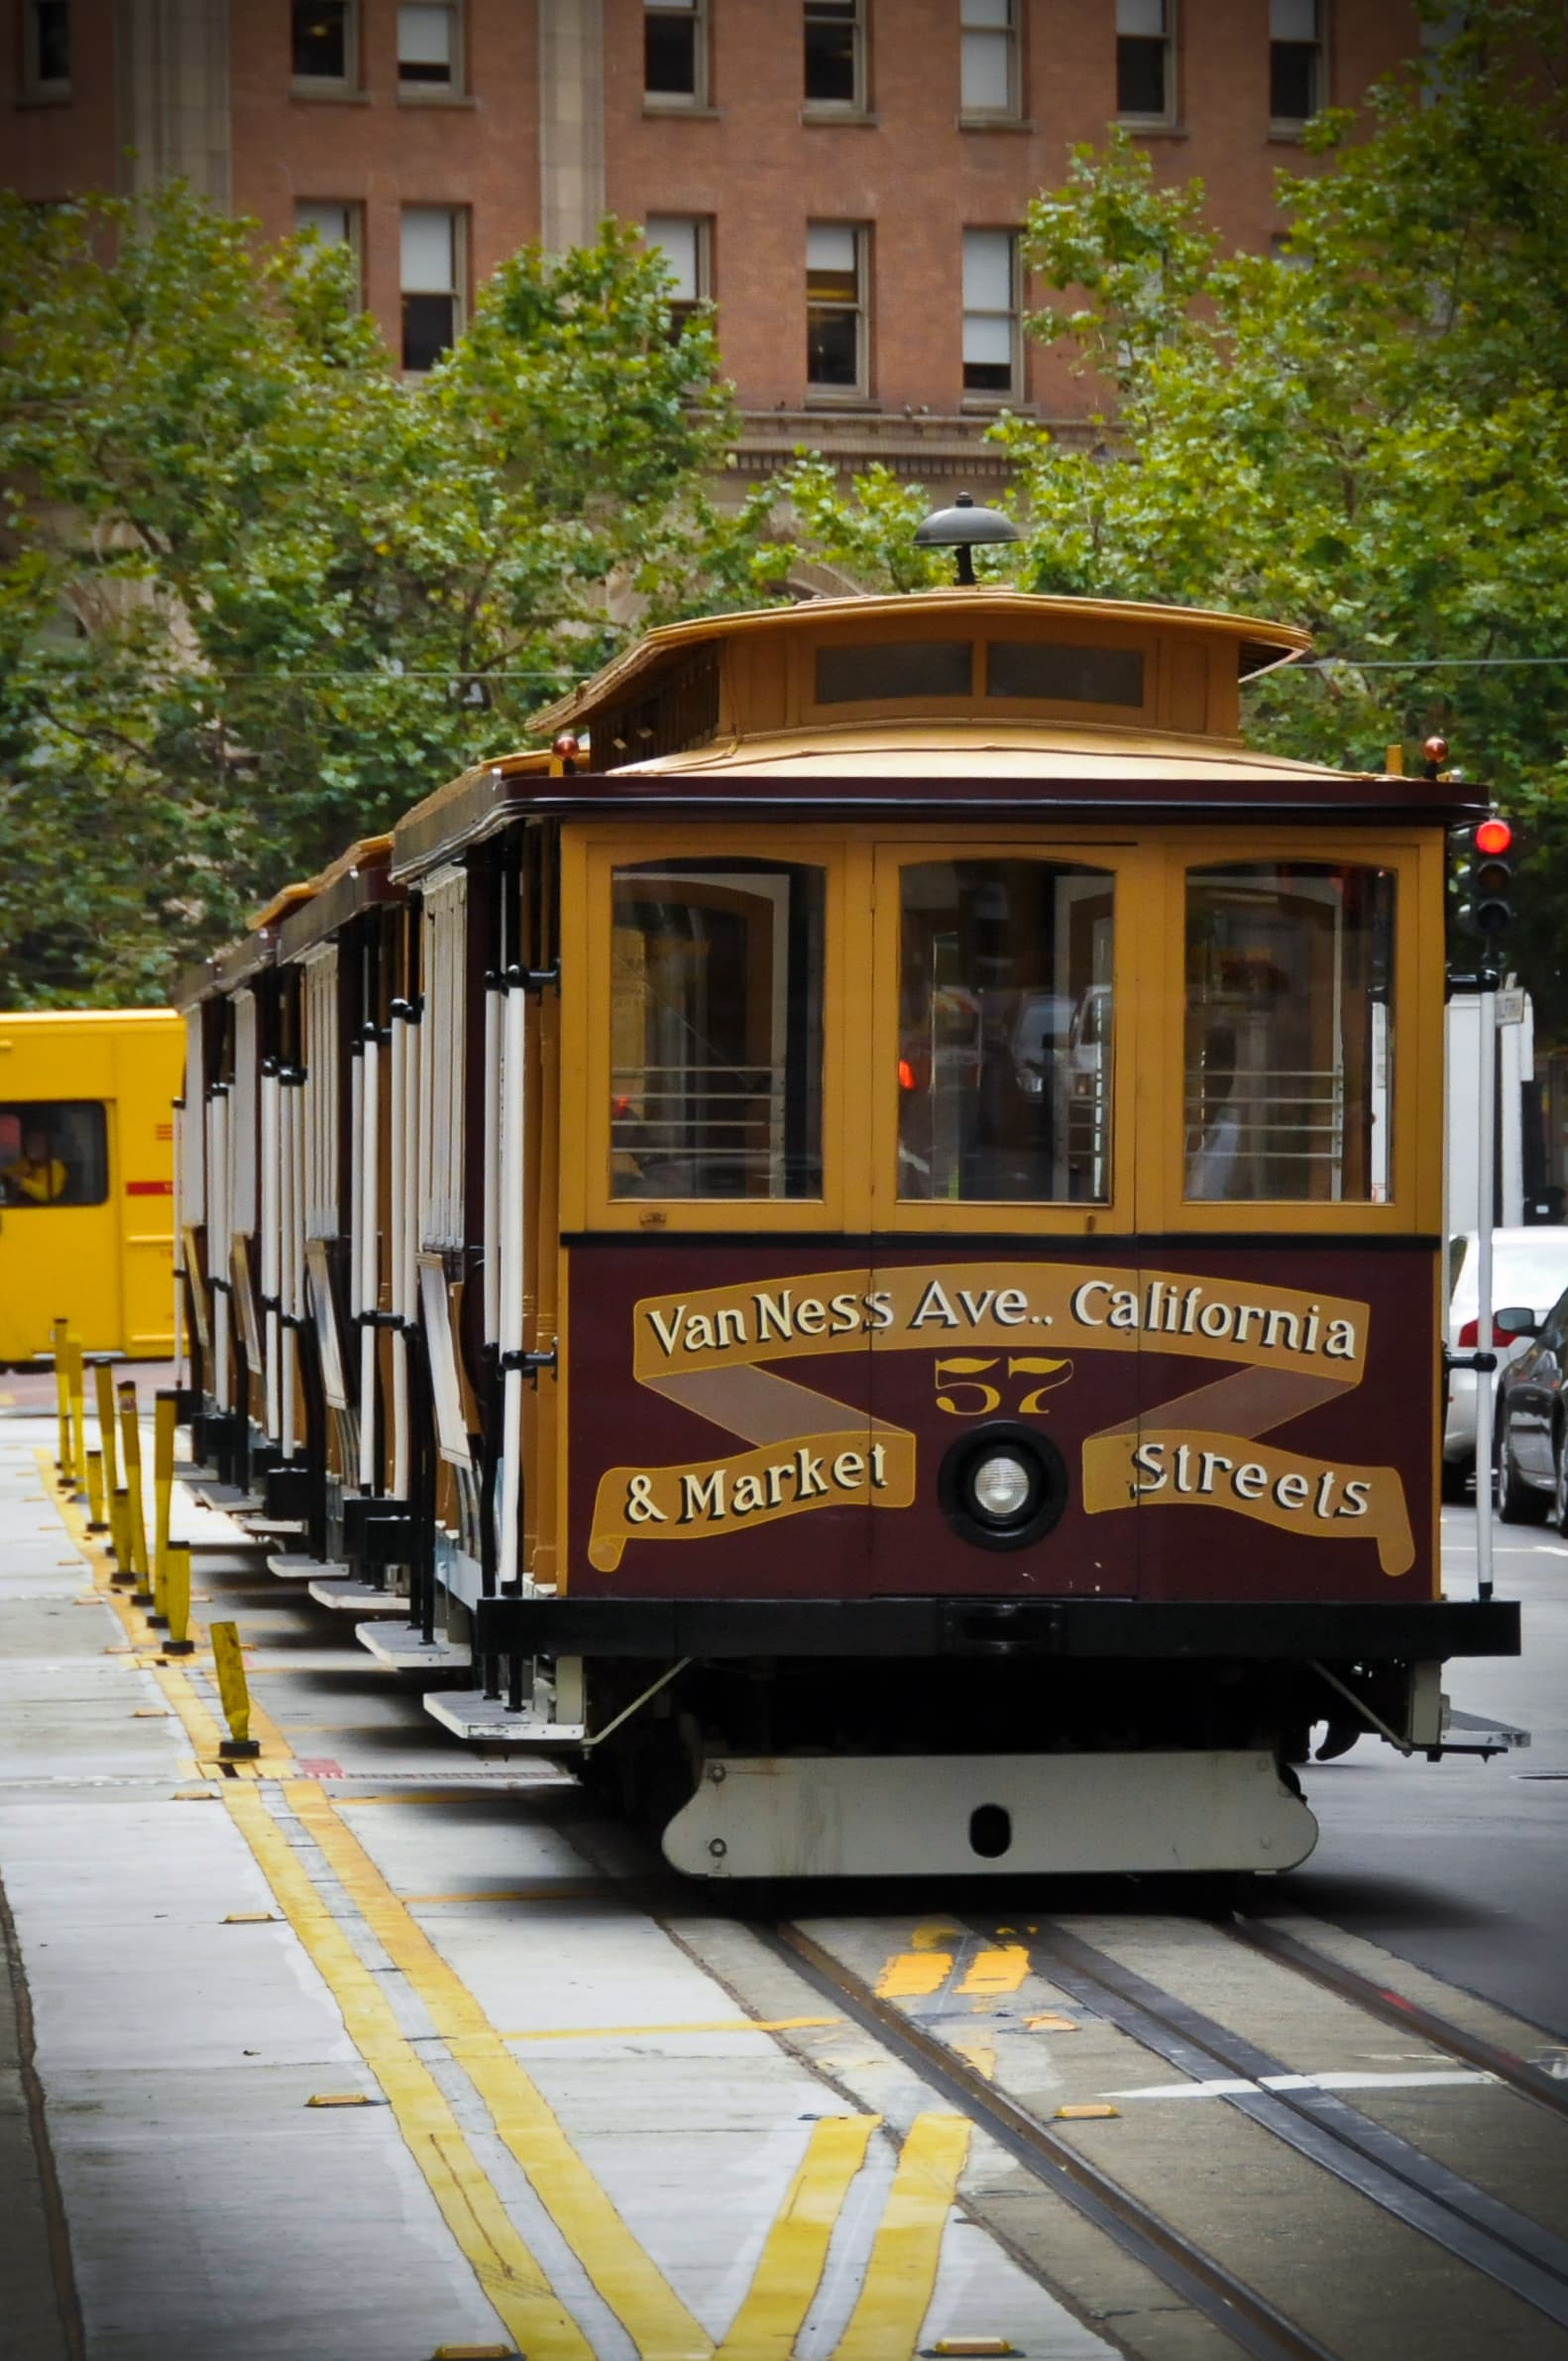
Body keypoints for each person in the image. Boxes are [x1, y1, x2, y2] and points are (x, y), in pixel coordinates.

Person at [1, 1123, 67, 1205]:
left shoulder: (56, 1167)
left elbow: (47, 1194)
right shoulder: (25, 1163)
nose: (32, 1146)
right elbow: (6, 1170)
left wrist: (22, 1181)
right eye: (30, 1142)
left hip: (46, 1209)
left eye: (37, 1142)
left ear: (47, 1147)